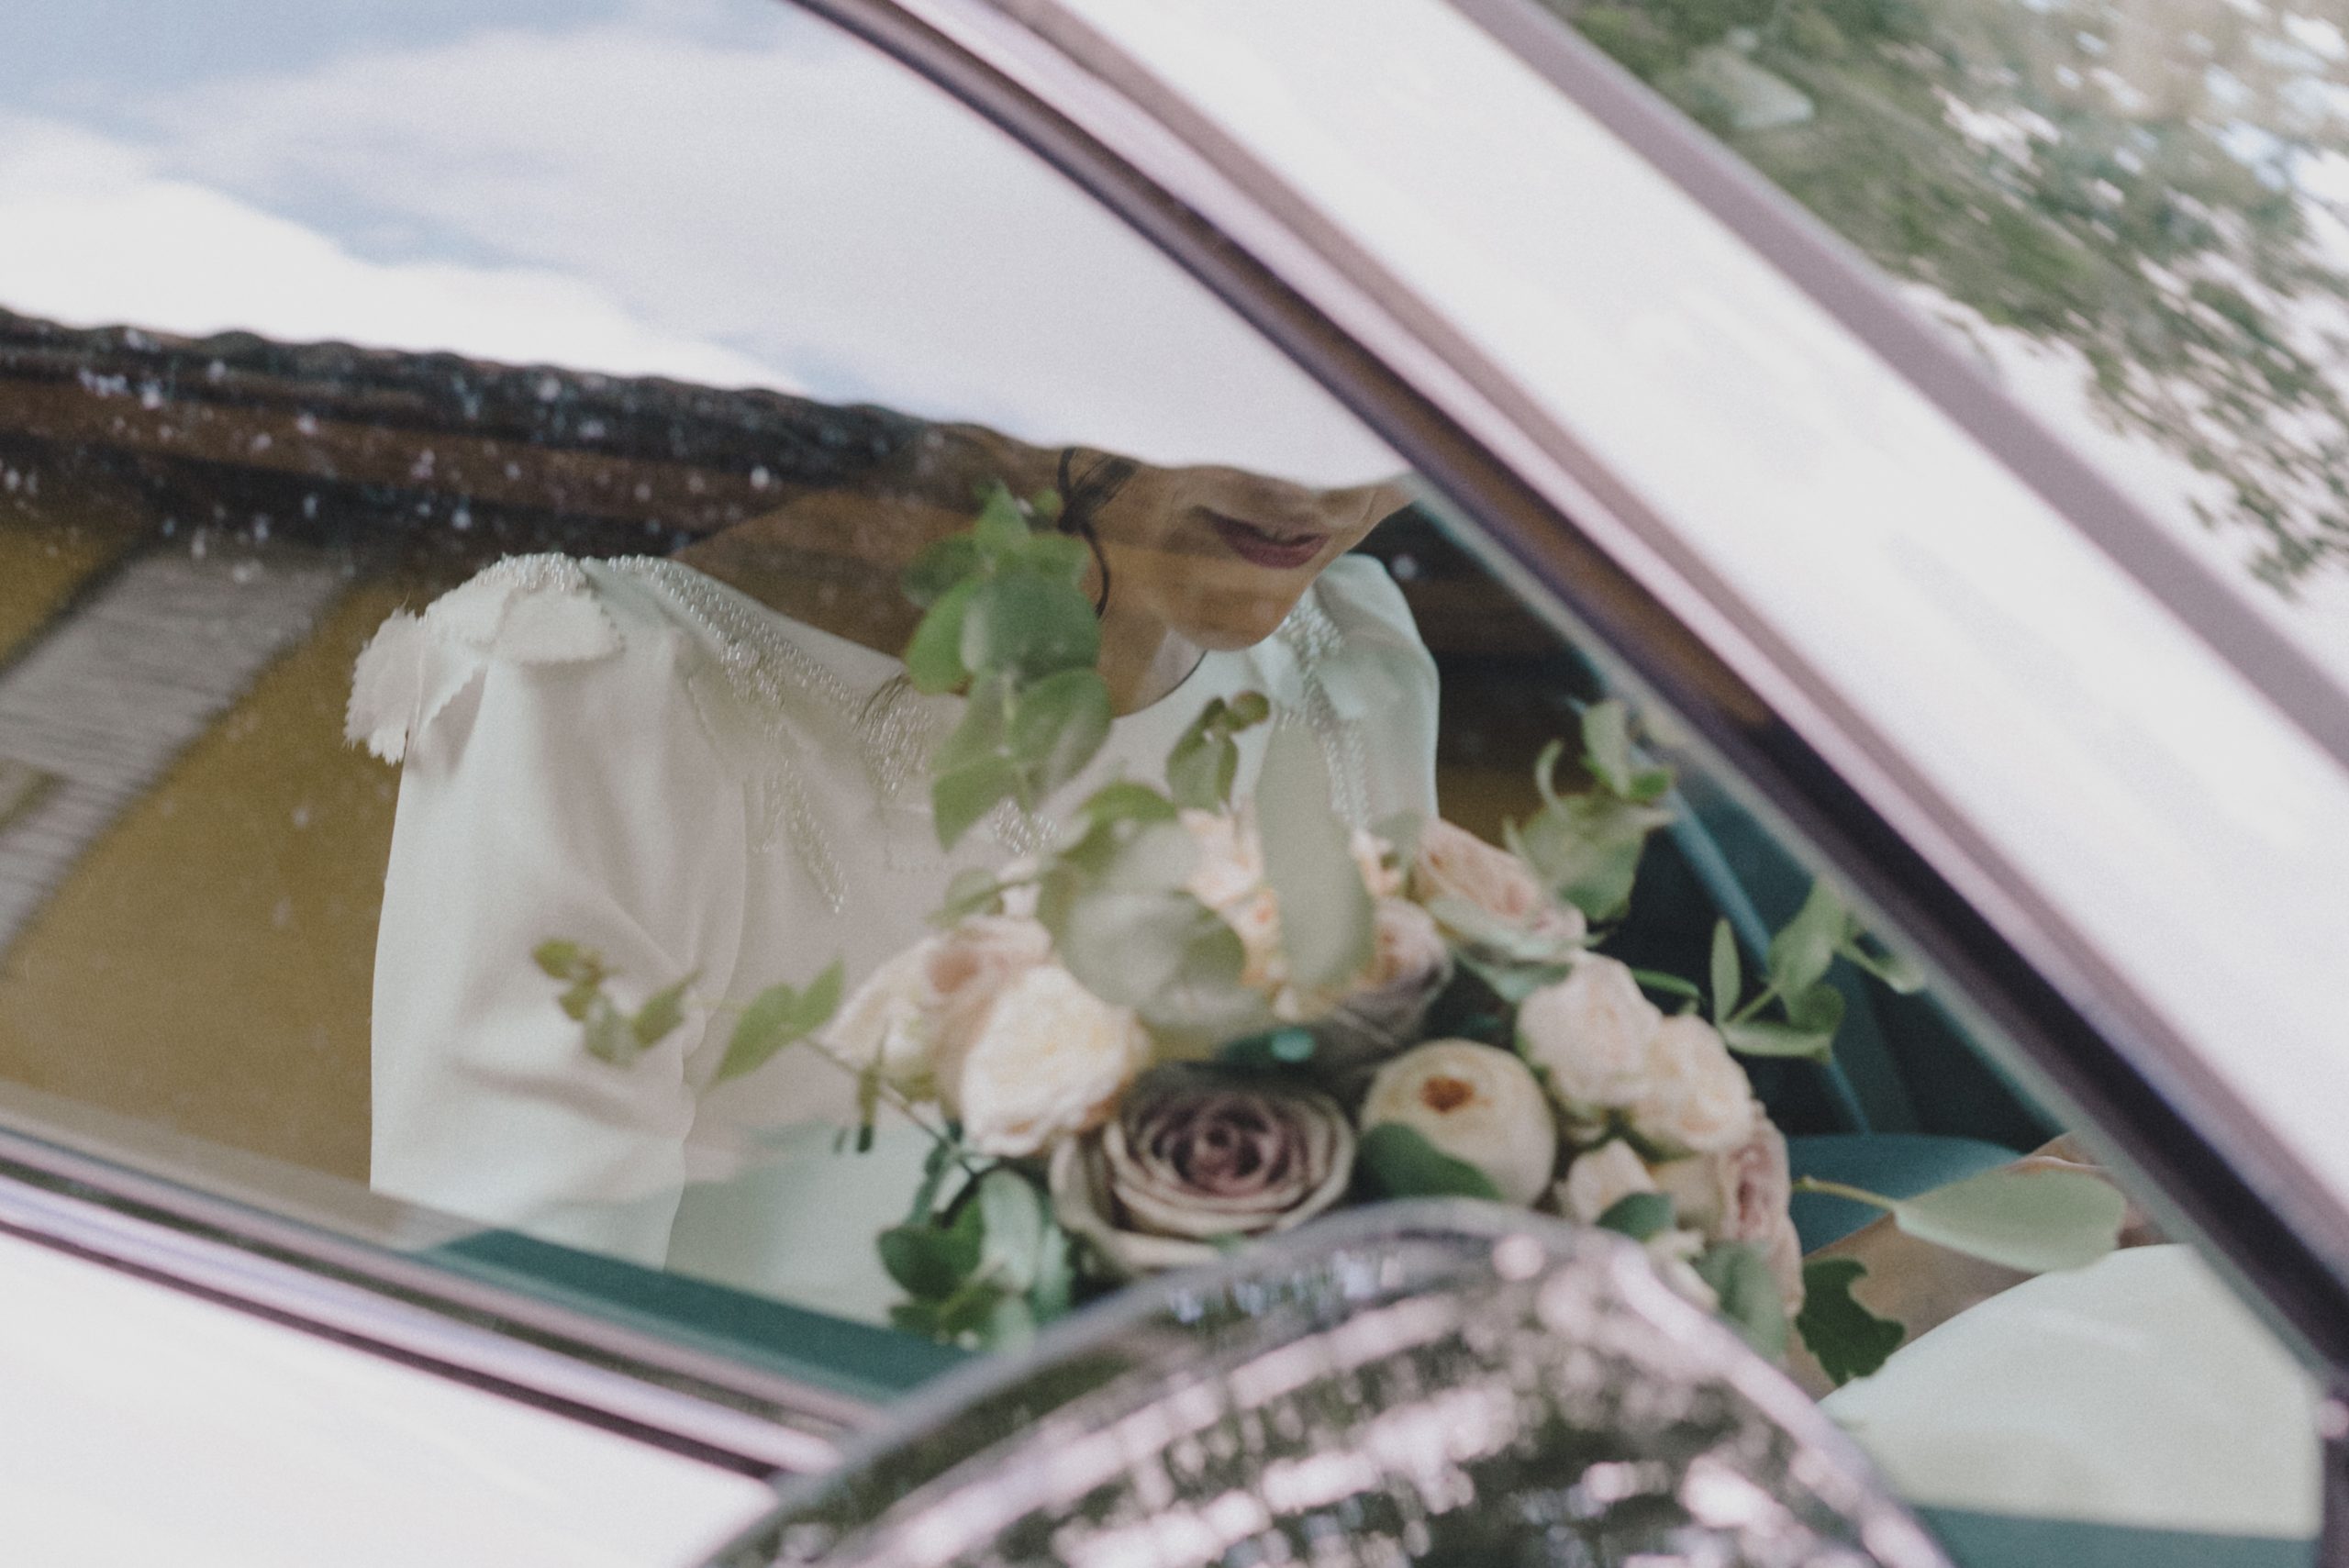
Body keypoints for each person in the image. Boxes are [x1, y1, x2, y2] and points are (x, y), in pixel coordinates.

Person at [350, 424, 1438, 1320]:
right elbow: (530, 1342)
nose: (1330, 482)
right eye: (1232, 386)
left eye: (1382, 388)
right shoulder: (598, 696)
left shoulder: (1343, 665)